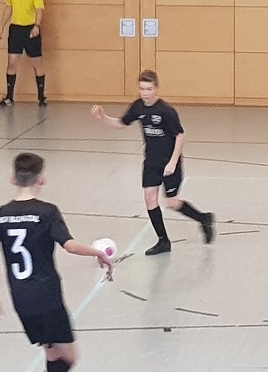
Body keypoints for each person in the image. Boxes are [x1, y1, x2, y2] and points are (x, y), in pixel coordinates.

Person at [0, 152, 113, 372]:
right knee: (68, 358)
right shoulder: (47, 212)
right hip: (47, 296)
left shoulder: (1, 214)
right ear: (42, 179)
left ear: (13, 179)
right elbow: (70, 246)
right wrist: (98, 253)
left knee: (52, 354)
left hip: (21, 299)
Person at [90, 69, 215, 256]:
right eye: (142, 89)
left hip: (169, 162)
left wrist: (172, 162)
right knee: (150, 199)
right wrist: (103, 117)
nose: (145, 93)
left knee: (171, 203)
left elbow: (180, 136)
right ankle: (163, 241)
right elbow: (122, 123)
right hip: (151, 161)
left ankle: (204, 218)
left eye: (149, 89)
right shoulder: (138, 107)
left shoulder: (166, 111)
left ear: (156, 88)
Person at [0, 0, 47, 107]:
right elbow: (8, 7)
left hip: (30, 29)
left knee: (37, 63)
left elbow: (39, 10)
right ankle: (9, 97)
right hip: (16, 30)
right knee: (11, 63)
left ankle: (41, 97)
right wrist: (1, 26)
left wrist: (37, 26)